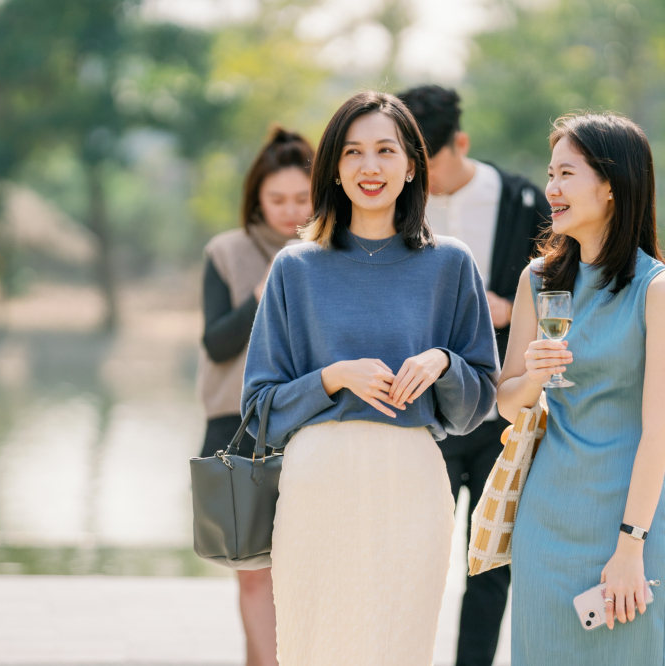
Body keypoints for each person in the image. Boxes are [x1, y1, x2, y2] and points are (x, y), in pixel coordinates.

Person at [241, 91, 499, 666]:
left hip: (412, 485)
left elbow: (478, 402)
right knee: (316, 647)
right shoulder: (295, 266)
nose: (370, 167)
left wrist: (444, 363)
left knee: (400, 648)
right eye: (353, 152)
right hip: (318, 485)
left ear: (412, 165)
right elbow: (257, 409)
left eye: (386, 150)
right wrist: (332, 377)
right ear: (334, 166)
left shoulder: (451, 264)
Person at [497, 112, 665, 664]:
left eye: (566, 174)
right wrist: (532, 376)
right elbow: (509, 405)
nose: (551, 189)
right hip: (547, 522)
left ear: (610, 186)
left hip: (632, 523)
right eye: (550, 174)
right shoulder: (537, 279)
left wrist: (631, 545)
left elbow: (661, 429)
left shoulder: (661, 290)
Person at [397, 84, 552, 666]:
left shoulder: (523, 201)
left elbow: (555, 285)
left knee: (490, 568)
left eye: (427, 165)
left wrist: (513, 310)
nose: (420, 181)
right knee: (412, 564)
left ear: (459, 142)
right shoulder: (394, 206)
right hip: (424, 414)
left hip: (500, 415)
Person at [198, 127, 314, 666]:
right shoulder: (226, 251)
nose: (289, 211)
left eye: (301, 199)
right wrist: (263, 292)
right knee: (252, 576)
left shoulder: (332, 252)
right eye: (277, 199)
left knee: (300, 576)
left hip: (309, 429)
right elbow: (217, 343)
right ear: (256, 198)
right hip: (237, 430)